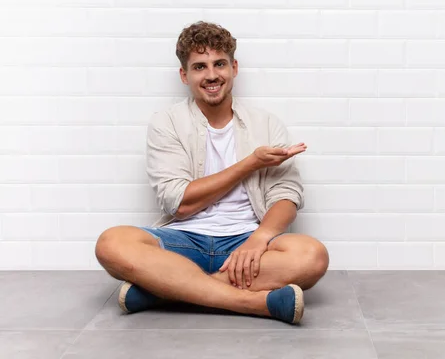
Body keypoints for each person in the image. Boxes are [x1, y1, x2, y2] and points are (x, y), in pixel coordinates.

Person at [94, 21, 329, 325]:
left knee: (312, 255)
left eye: (219, 64)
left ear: (234, 67)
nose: (212, 75)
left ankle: (169, 289)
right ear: (185, 75)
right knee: (111, 243)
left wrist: (260, 238)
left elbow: (286, 195)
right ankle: (253, 303)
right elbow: (180, 202)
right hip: (183, 241)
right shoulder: (167, 123)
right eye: (199, 66)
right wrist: (251, 163)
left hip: (244, 242)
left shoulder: (266, 124)